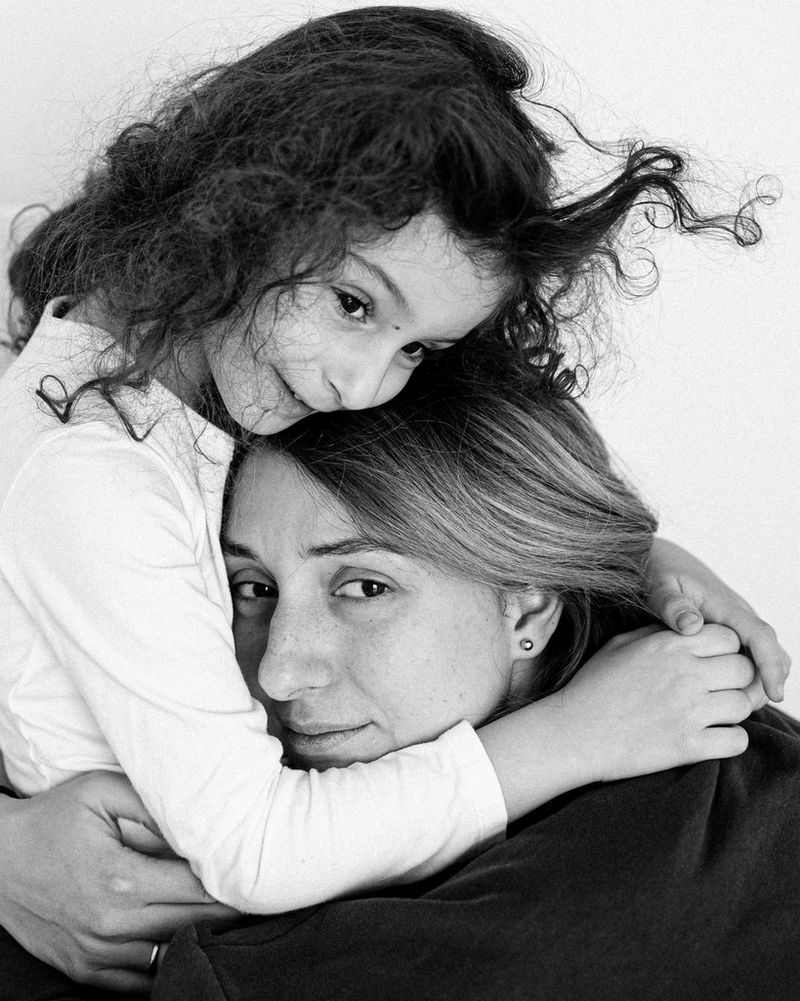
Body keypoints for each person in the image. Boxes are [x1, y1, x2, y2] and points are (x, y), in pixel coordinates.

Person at [0, 4, 788, 993]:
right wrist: (574, 734)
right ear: (245, 202)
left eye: (417, 347)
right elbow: (257, 849)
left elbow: (433, 489)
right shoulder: (95, 468)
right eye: (354, 303)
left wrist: (630, 556)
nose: (364, 383)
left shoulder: (186, 377)